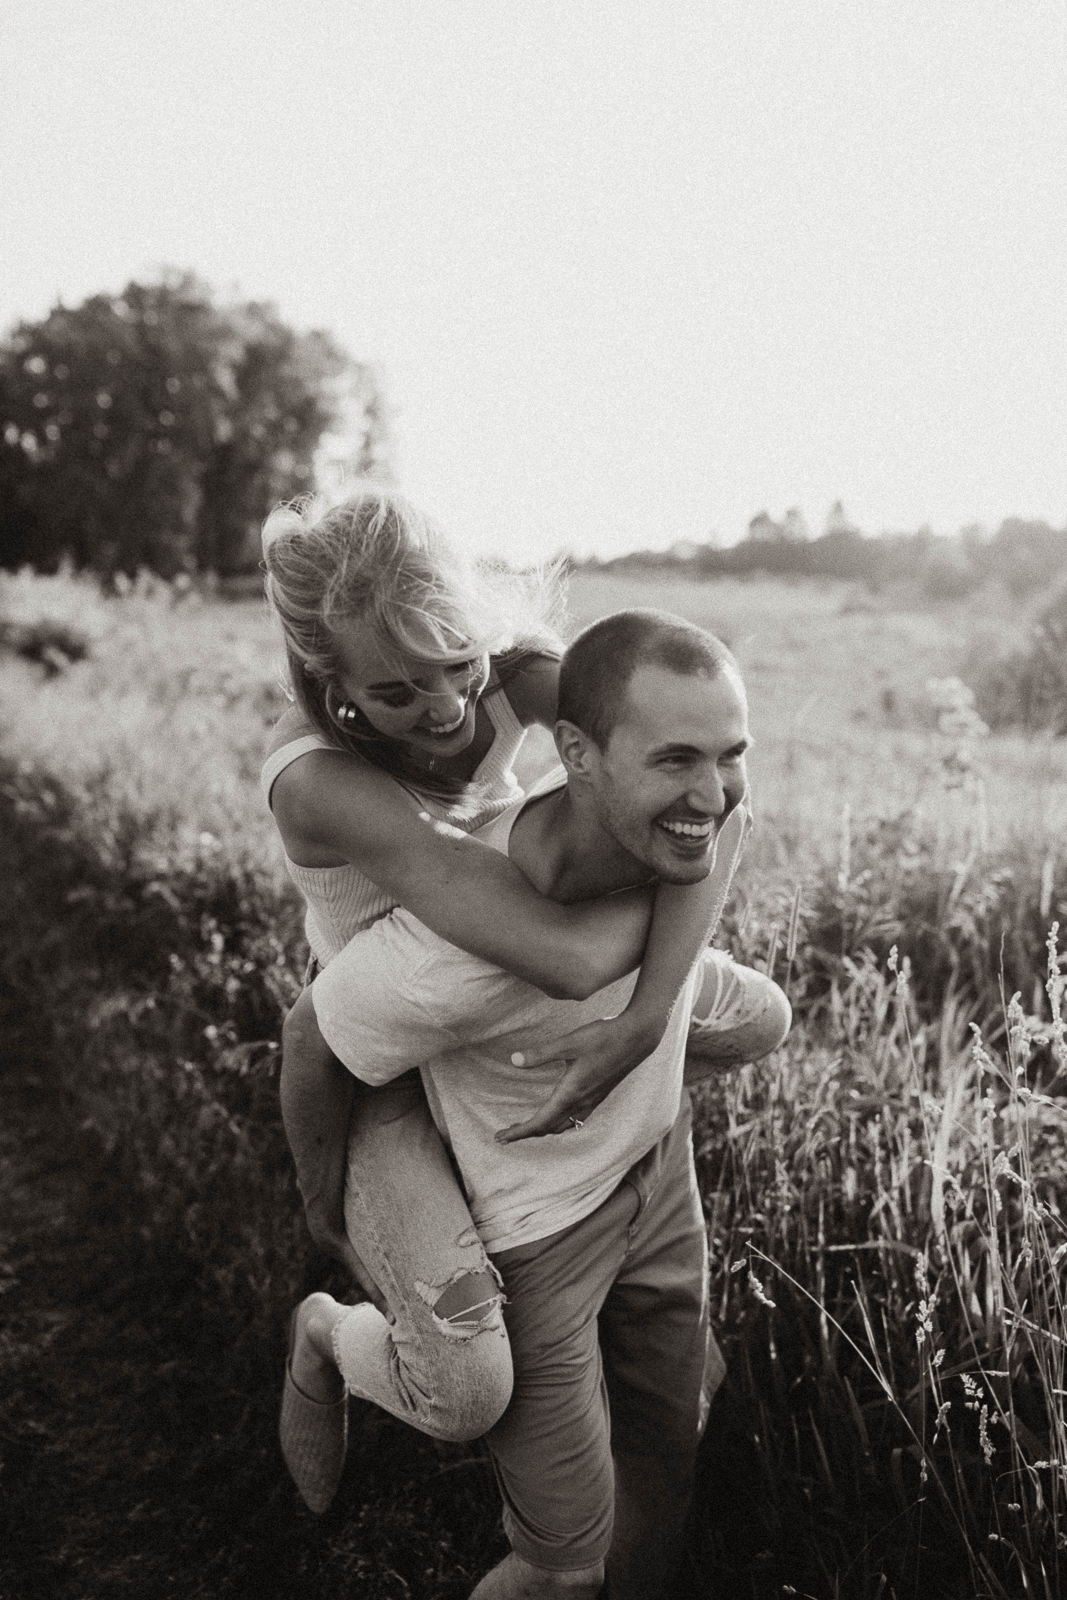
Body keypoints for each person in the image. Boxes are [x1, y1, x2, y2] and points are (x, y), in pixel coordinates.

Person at [262, 486, 776, 1482]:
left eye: (455, 664)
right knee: (467, 1387)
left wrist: (648, 1012)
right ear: (335, 692)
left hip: (511, 982)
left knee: (759, 1017)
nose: (447, 709)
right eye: (399, 691)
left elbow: (700, 797)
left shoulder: (513, 671)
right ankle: (330, 1335)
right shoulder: (318, 780)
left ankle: (603, 1235)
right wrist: (321, 1197)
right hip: (388, 1049)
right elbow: (564, 953)